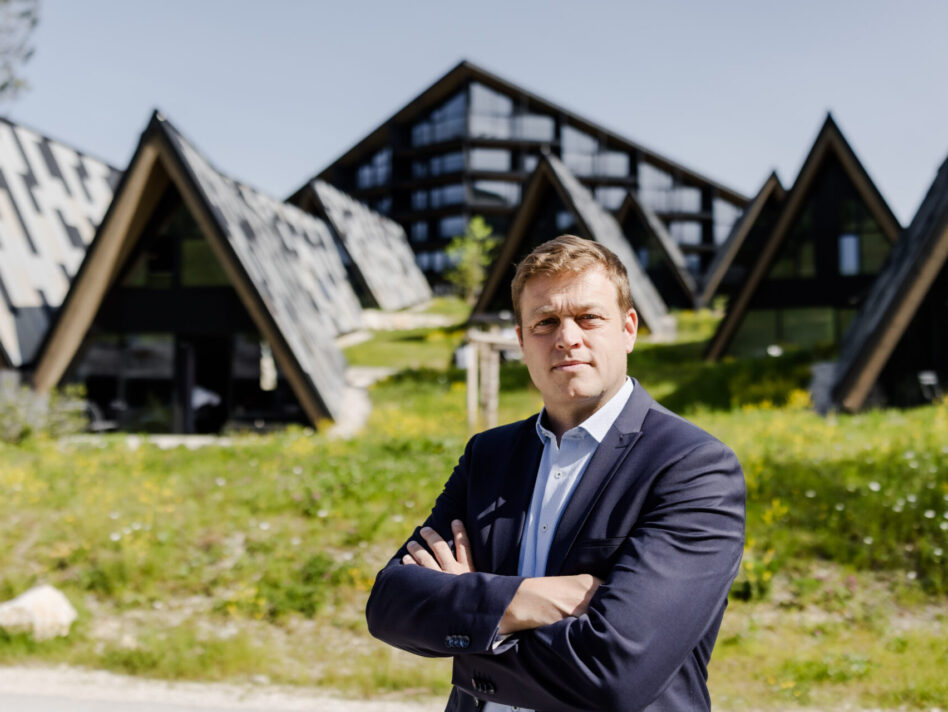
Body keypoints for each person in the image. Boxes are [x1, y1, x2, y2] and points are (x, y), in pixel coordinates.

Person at [366, 235, 745, 712]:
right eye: (546, 322)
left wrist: (474, 619)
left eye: (588, 317)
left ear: (628, 329)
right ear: (522, 342)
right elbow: (390, 603)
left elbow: (613, 673)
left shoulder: (692, 467)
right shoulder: (489, 455)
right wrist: (532, 597)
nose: (568, 337)